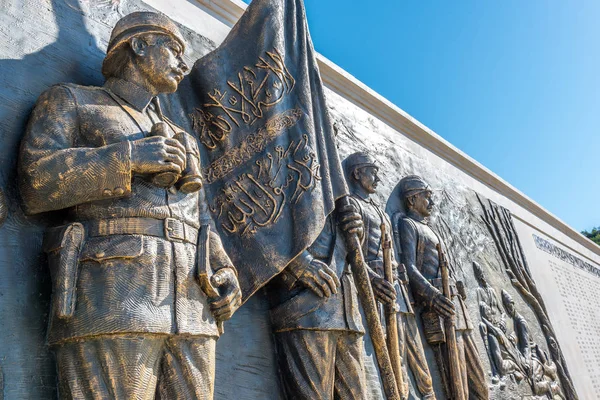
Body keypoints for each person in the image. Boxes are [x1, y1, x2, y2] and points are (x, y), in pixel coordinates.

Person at [19, 12, 241, 399]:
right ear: (139, 46)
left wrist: (223, 267)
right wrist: (127, 158)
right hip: (113, 297)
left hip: (192, 307)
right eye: (172, 49)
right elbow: (36, 181)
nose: (182, 64)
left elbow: (200, 215)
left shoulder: (179, 135)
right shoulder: (72, 101)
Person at [345, 152, 436, 400]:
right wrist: (373, 280)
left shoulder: (382, 212)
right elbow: (352, 252)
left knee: (417, 357)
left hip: (397, 287)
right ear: (357, 173)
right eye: (373, 171)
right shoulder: (351, 204)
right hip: (375, 288)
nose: (378, 178)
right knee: (393, 362)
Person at [265, 185, 368, 399]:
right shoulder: (282, 163)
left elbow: (353, 254)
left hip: (346, 310)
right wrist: (300, 264)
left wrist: (357, 233)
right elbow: (260, 223)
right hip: (306, 306)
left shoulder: (337, 182)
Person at [397, 175, 489, 400]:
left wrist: (457, 284)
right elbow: (409, 266)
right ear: (412, 199)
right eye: (427, 196)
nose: (432, 201)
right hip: (439, 309)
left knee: (479, 383)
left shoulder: (431, 229)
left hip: (456, 308)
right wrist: (432, 295)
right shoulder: (408, 224)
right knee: (456, 387)